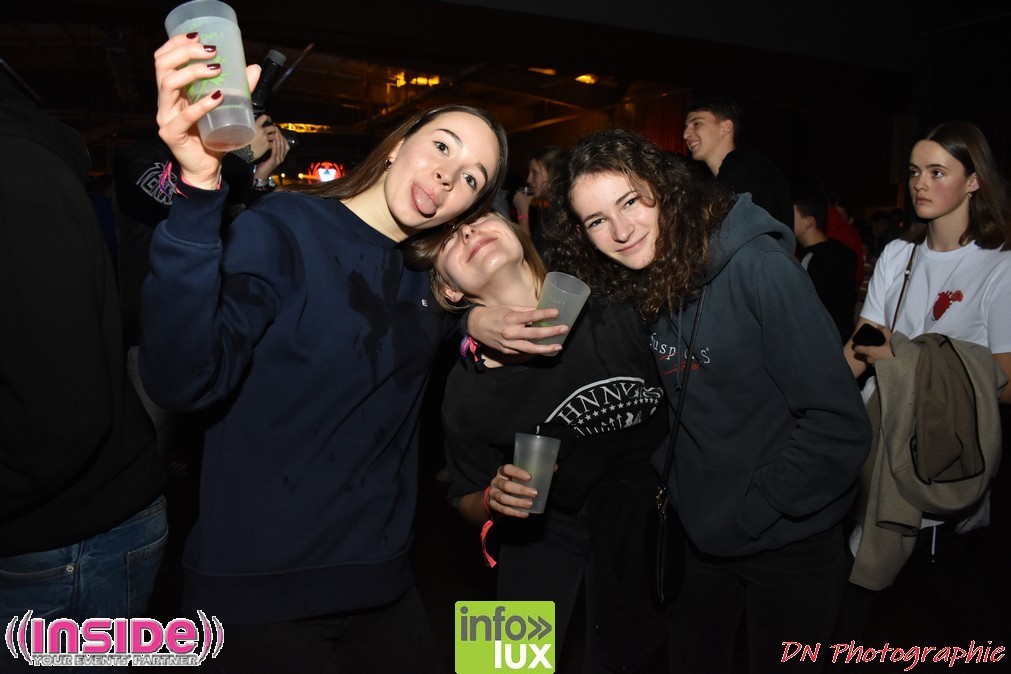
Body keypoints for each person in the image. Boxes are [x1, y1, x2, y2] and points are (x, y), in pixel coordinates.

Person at [140, 33, 511, 673]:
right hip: (259, 593)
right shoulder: (283, 227)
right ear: (398, 145)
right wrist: (199, 191)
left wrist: (479, 318)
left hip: (383, 585)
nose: (449, 174)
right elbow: (183, 379)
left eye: (471, 177)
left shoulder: (431, 284)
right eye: (443, 146)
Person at [538, 128, 871, 673]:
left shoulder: (760, 268)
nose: (620, 230)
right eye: (597, 220)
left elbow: (839, 426)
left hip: (789, 541)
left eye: (630, 201)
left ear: (664, 189)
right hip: (699, 536)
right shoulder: (640, 284)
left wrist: (751, 508)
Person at [404, 211, 669, 672]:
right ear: (450, 290)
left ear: (515, 229)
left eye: (477, 217)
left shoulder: (616, 303)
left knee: (636, 660)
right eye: (447, 239)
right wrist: (493, 498)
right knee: (500, 667)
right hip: (536, 536)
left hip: (644, 526)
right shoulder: (464, 390)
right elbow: (463, 496)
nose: (467, 230)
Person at [0, 68, 167, 651]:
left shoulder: (19, 174)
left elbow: (62, 414)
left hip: (79, 519)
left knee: (148, 446)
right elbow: (162, 196)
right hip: (142, 333)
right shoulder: (139, 159)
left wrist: (247, 167)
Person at [843, 120, 1011, 641]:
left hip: (939, 445)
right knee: (864, 570)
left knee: (929, 581)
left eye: (938, 172)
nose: (920, 183)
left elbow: (1006, 381)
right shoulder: (899, 255)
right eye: (915, 171)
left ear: (973, 181)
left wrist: (910, 360)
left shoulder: (998, 267)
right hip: (878, 433)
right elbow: (861, 347)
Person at [682, 96, 793, 227]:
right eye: (686, 127)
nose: (685, 134)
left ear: (726, 127)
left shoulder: (755, 172)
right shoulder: (719, 180)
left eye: (697, 124)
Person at [793, 186, 857, 341]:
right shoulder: (840, 251)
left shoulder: (815, 259)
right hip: (840, 339)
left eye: (792, 214)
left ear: (809, 222)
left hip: (820, 342)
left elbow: (807, 311)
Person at [512, 145, 567, 251]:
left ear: (553, 174)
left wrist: (522, 211)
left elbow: (532, 253)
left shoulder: (559, 213)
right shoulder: (552, 207)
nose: (528, 179)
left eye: (535, 172)